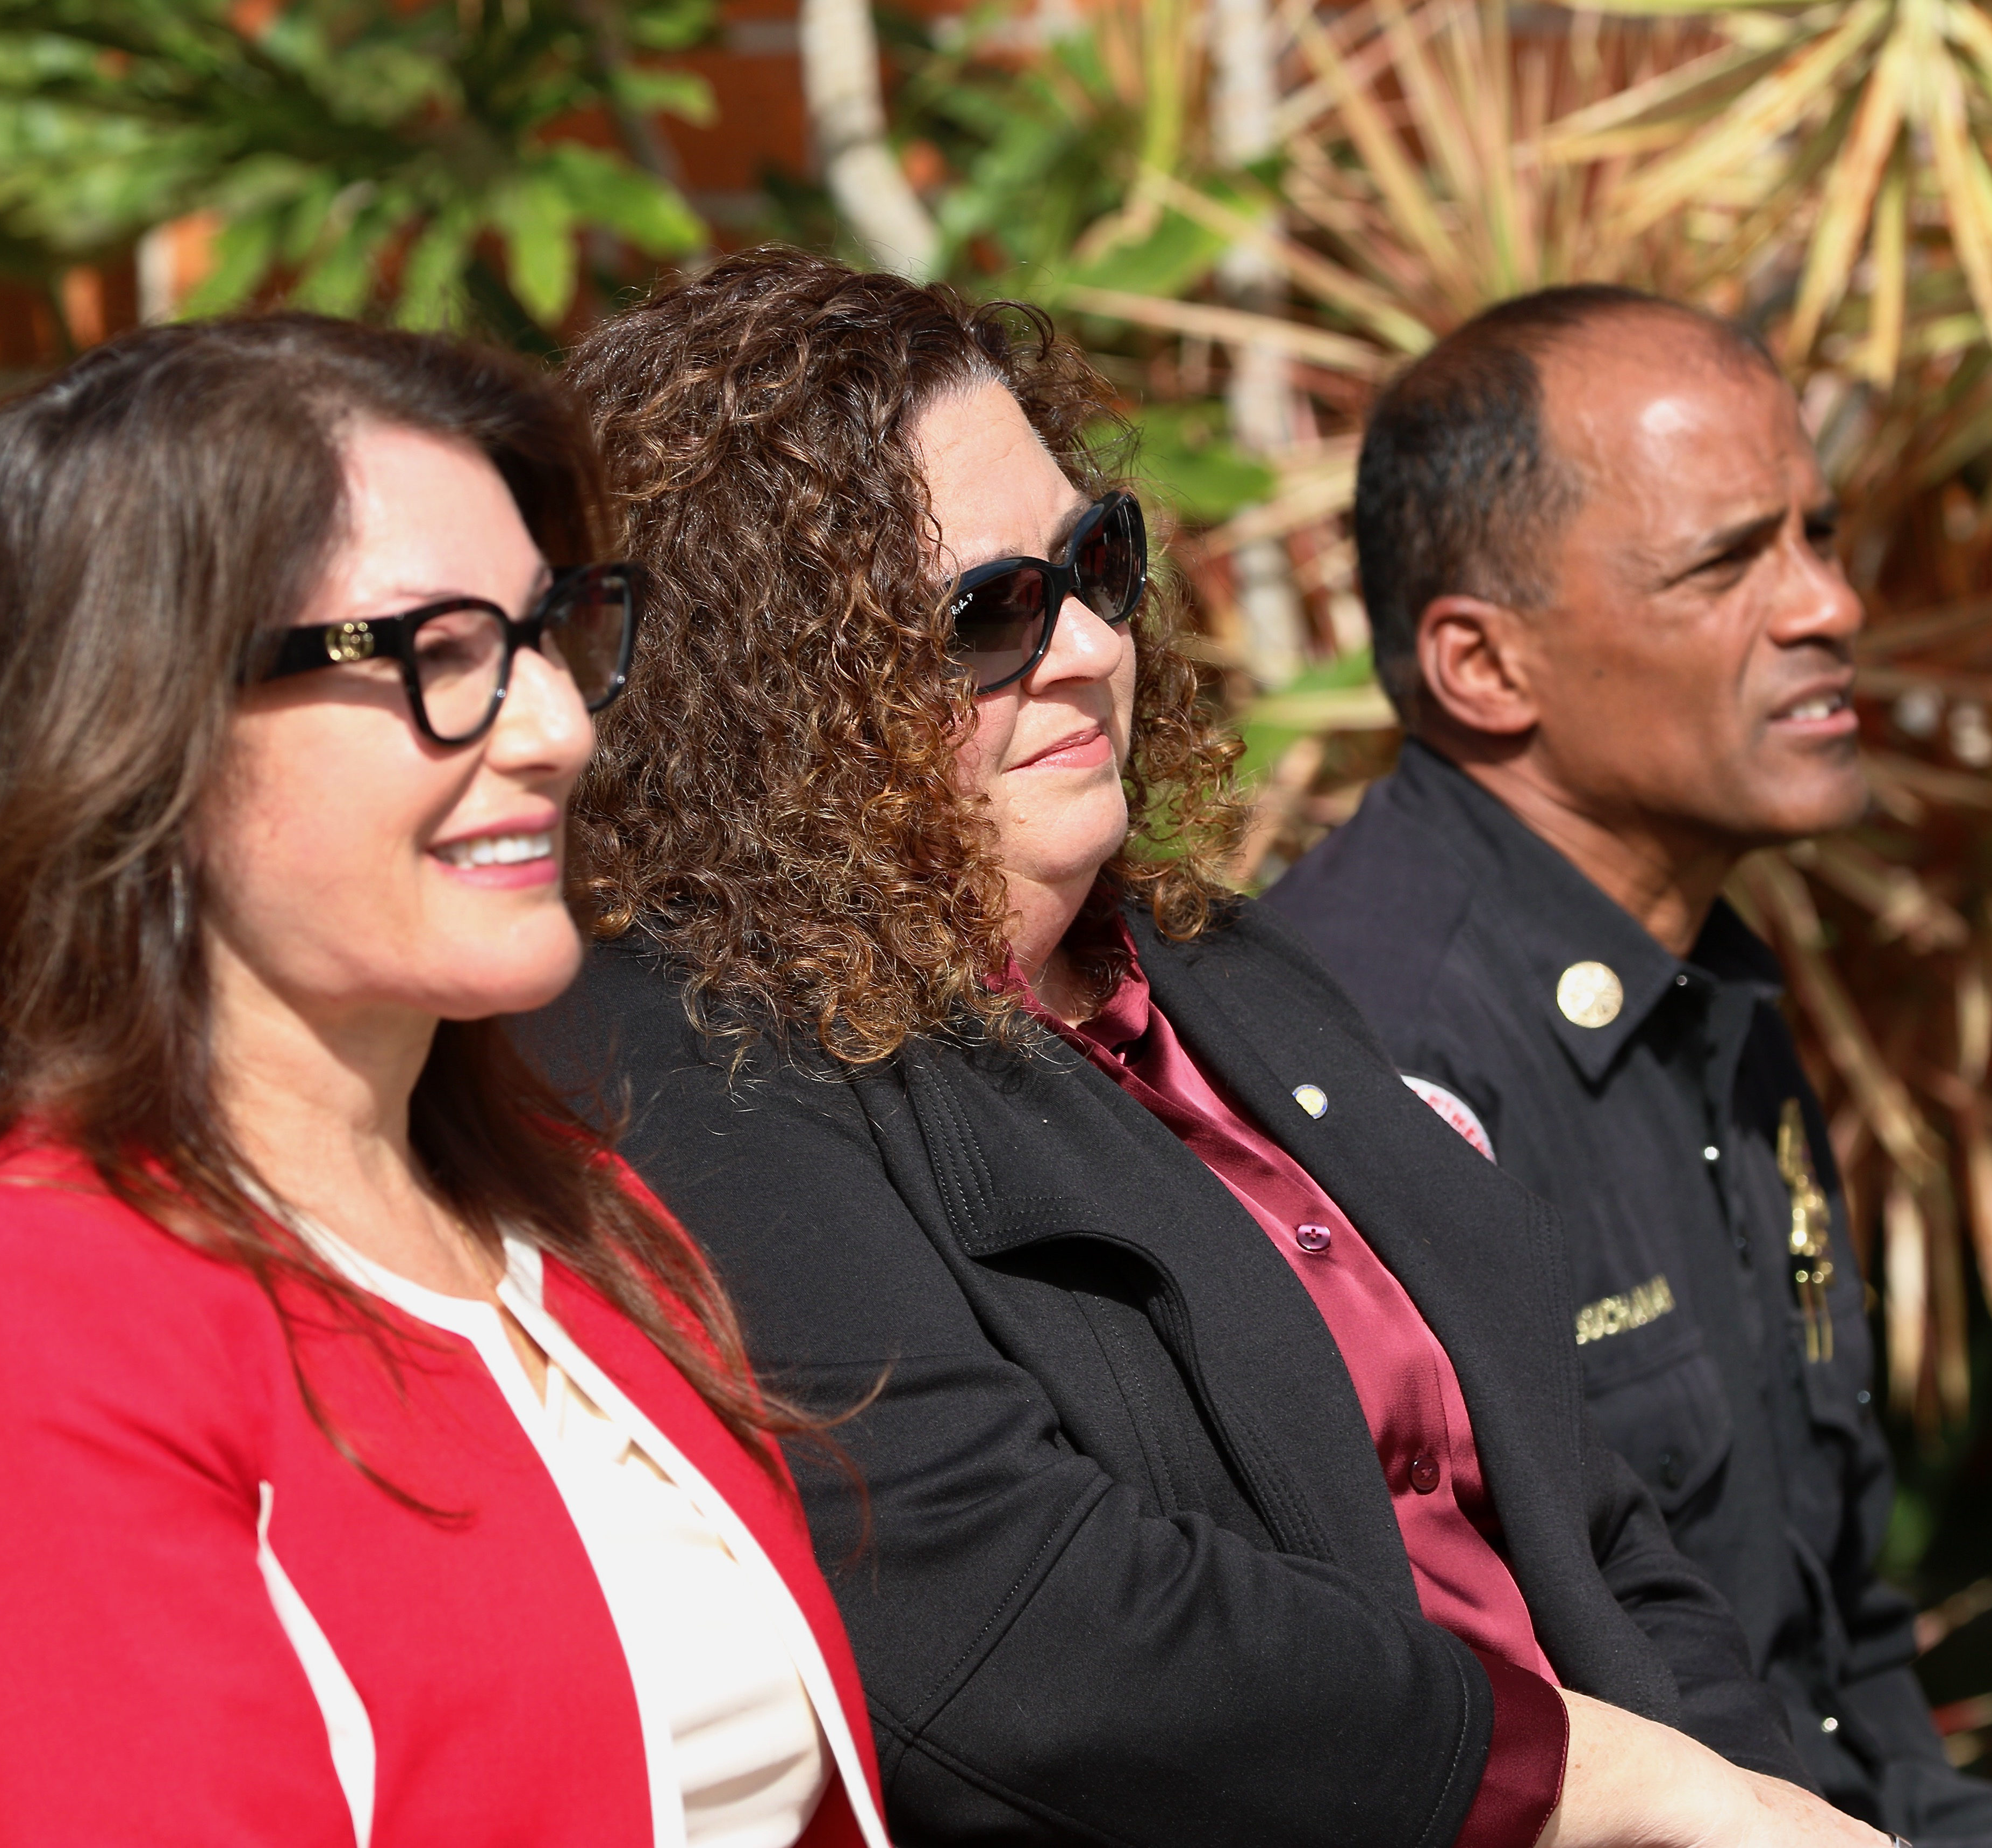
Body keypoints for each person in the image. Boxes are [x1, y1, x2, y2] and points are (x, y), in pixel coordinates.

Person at [536, 246, 1888, 1848]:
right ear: (765, 687)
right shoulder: (698, 1052)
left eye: (1093, 561)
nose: (1091, 646)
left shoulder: (1223, 975)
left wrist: (1756, 1798)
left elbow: (1588, 1509)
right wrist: (1603, 1782)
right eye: (988, 615)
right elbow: (1002, 1615)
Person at [0, 313, 890, 1848]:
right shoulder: (26, 1312)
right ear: (144, 731)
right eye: (440, 652)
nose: (549, 729)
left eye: (546, 634)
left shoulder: (575, 1218)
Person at [1269, 284, 1992, 1846]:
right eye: (1729, 561)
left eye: (1816, 536)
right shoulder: (1369, 1062)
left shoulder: (1707, 980)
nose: (1829, 606)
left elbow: (1836, 1636)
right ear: (1485, 667)